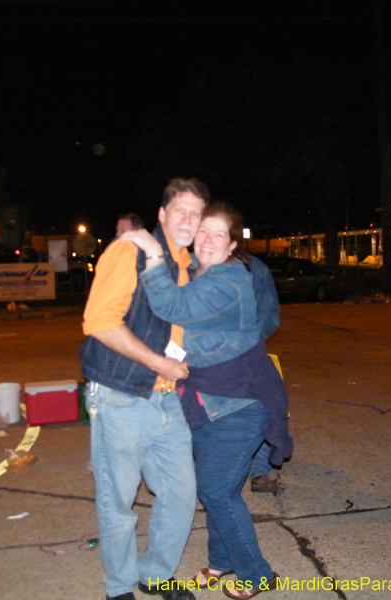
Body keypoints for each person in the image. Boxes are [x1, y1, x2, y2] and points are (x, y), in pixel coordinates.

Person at [122, 201, 292, 600]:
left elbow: (172, 307)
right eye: (203, 232)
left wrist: (151, 254)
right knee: (218, 485)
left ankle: (257, 573)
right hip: (209, 400)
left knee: (216, 489)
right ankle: (221, 561)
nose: (209, 240)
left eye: (219, 234)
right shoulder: (200, 274)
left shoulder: (229, 279)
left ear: (233, 244)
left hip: (239, 404)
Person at [80, 178, 209, 600]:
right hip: (120, 392)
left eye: (196, 213)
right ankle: (119, 587)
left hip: (168, 397)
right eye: (180, 211)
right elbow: (99, 323)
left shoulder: (188, 265)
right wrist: (158, 362)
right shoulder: (128, 251)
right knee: (118, 500)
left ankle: (155, 574)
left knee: (180, 492)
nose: (188, 220)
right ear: (162, 214)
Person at [246, 254, 283, 494]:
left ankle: (259, 470)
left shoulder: (253, 268)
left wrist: (248, 343)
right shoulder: (190, 264)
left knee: (259, 407)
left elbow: (268, 315)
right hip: (199, 355)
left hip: (246, 352)